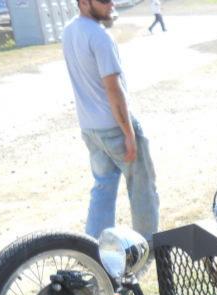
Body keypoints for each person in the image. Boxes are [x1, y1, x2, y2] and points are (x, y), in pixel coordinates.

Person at [62, 0, 160, 246]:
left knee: (103, 189)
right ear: (84, 2)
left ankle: (91, 252)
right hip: (114, 127)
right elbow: (113, 90)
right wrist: (128, 132)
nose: (111, 4)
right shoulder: (100, 37)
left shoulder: (69, 31)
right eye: (103, 0)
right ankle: (146, 251)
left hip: (90, 128)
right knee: (143, 191)